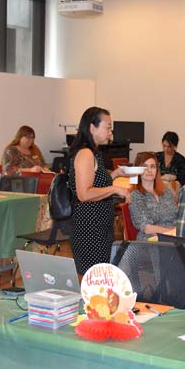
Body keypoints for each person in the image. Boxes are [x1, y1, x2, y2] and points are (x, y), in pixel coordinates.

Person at [68, 107, 128, 275]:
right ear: (92, 128)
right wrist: (114, 188)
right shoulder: (85, 154)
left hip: (99, 227)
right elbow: (84, 194)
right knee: (94, 278)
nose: (111, 132)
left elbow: (94, 180)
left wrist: (114, 174)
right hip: (89, 230)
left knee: (100, 279)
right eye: (108, 127)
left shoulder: (93, 153)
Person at [128, 152, 176, 240]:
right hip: (150, 240)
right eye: (145, 167)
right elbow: (147, 228)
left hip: (172, 238)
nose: (149, 170)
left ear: (157, 170)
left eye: (152, 166)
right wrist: (171, 232)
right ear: (138, 171)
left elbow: (177, 216)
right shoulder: (135, 195)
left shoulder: (166, 192)